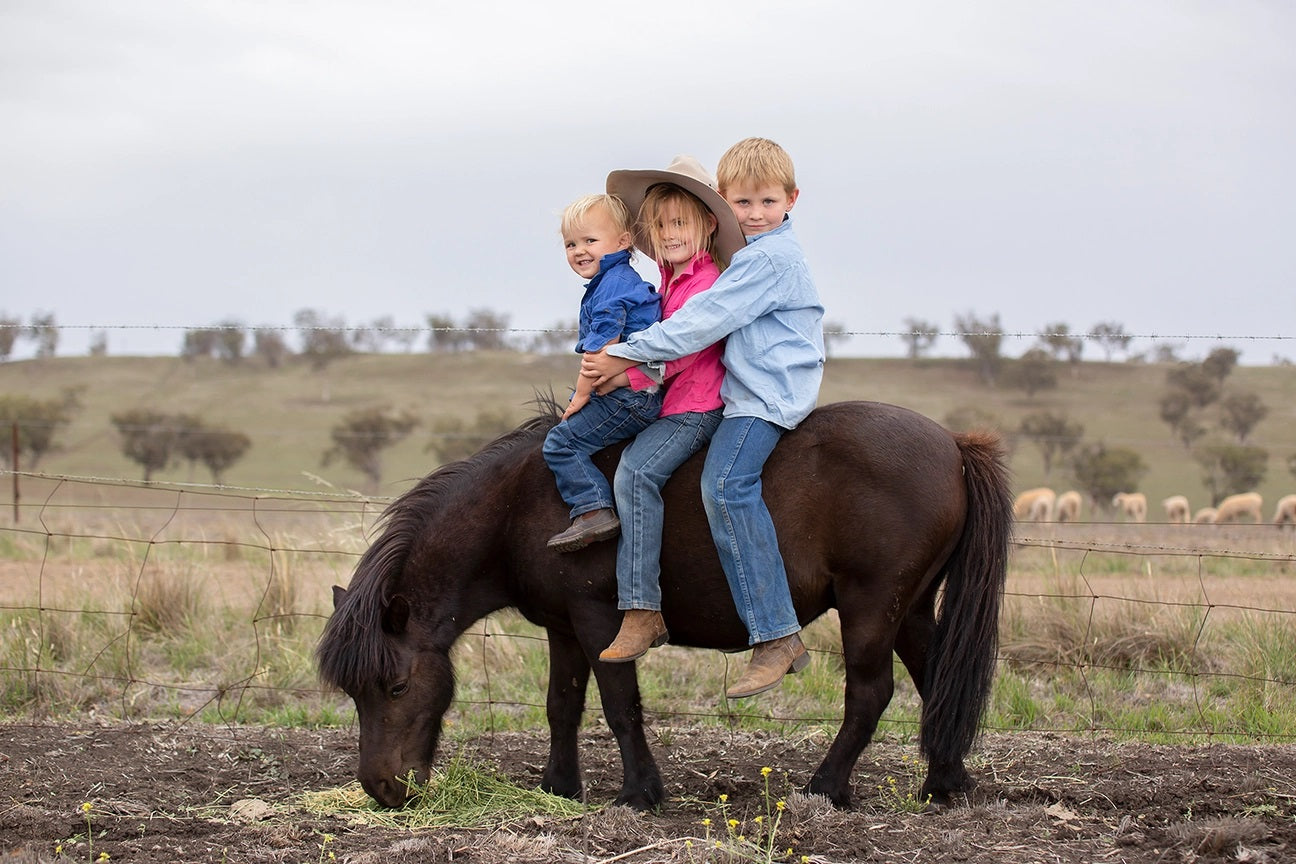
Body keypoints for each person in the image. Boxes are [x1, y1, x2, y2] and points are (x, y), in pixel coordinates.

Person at [582, 138, 825, 698]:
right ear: (724, 203)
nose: (755, 215)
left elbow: (702, 321)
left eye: (766, 202)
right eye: (743, 204)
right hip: (747, 388)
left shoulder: (768, 260)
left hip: (763, 397)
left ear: (791, 199)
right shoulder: (742, 258)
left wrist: (625, 352)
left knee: (726, 485)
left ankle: (776, 635)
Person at [593, 156, 745, 664]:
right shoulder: (668, 280)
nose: (668, 233)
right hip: (669, 406)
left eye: (679, 223)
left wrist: (615, 374)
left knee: (635, 473)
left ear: (707, 225)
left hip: (695, 407)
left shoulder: (704, 285)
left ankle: (641, 610)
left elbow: (677, 356)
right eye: (658, 225)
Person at [542, 193, 663, 553]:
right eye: (570, 244)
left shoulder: (611, 288)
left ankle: (593, 509)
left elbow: (600, 352)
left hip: (630, 398)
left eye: (590, 241)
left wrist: (580, 396)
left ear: (623, 241)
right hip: (635, 390)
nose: (579, 250)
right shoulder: (616, 280)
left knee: (560, 442)